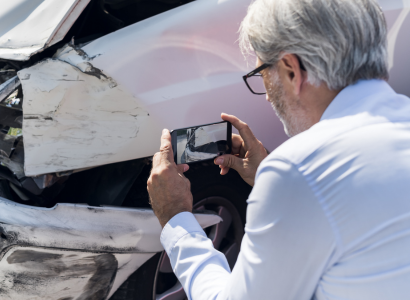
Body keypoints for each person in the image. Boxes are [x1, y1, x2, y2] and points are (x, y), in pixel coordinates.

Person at [147, 0, 410, 299]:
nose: (268, 98)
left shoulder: (299, 172)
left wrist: (176, 219)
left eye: (262, 73)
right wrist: (269, 179)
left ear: (291, 70)